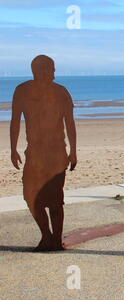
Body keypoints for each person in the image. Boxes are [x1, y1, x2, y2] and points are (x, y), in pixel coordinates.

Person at [10, 55, 77, 252]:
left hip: (56, 153)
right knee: (31, 197)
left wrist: (73, 151)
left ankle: (55, 240)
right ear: (38, 71)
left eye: (53, 70)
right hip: (34, 153)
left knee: (56, 199)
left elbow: (70, 124)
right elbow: (15, 122)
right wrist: (13, 149)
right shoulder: (22, 91)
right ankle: (46, 236)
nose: (54, 74)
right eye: (51, 70)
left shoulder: (61, 92)